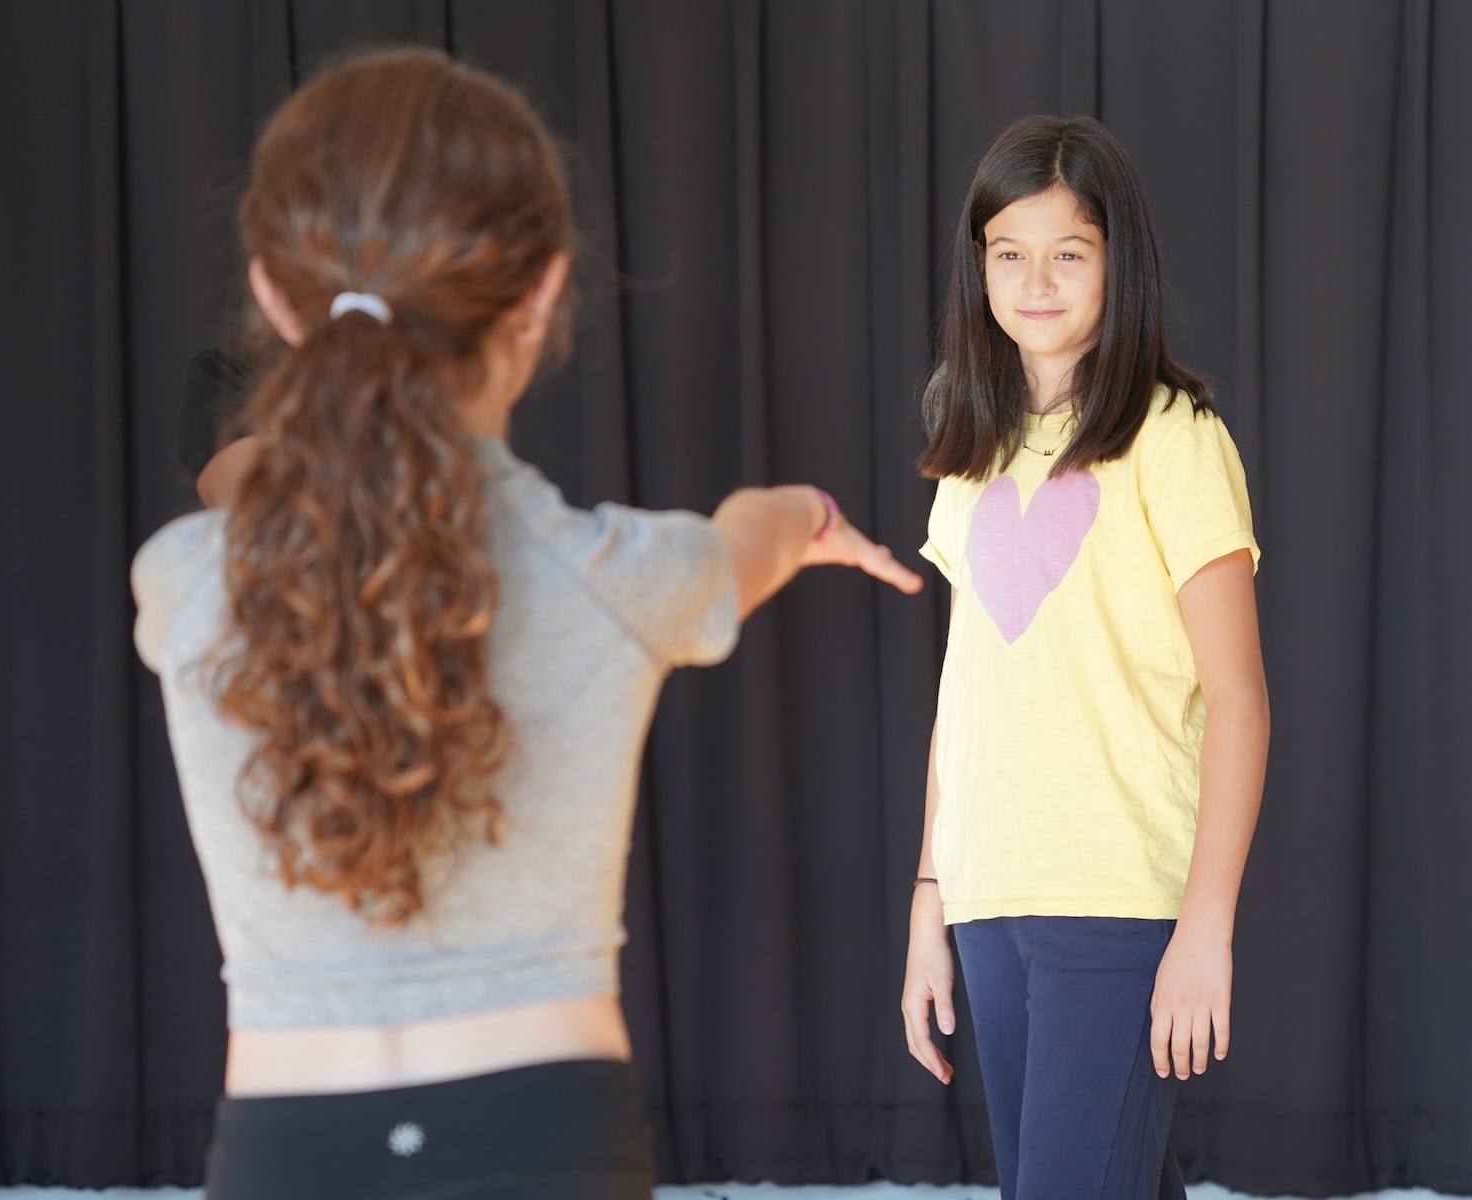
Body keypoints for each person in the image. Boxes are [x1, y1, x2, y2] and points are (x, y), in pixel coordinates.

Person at [131, 48, 921, 1200]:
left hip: (288, 1155)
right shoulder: (626, 577)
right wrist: (814, 516)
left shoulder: (182, 585)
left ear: (271, 297)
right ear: (544, 292)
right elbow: (757, 532)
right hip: (547, 1143)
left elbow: (281, 507)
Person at [899, 114, 1269, 1200]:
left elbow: (1239, 700)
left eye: (1070, 252)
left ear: (1119, 263)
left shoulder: (1176, 439)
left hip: (1115, 902)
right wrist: (930, 901)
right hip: (988, 894)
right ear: (980, 270)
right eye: (1009, 254)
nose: (1037, 281)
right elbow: (962, 700)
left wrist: (1208, 925)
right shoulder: (969, 454)